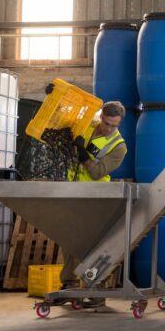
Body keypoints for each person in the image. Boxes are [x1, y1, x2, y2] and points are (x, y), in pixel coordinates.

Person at [62, 101, 128, 295]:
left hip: (95, 194)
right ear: (101, 117)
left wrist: (83, 153)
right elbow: (62, 123)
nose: (108, 128)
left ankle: (97, 287)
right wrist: (54, 100)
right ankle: (69, 283)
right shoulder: (87, 126)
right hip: (72, 190)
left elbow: (97, 172)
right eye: (106, 123)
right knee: (68, 237)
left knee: (92, 242)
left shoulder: (119, 147)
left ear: (119, 123)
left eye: (114, 125)